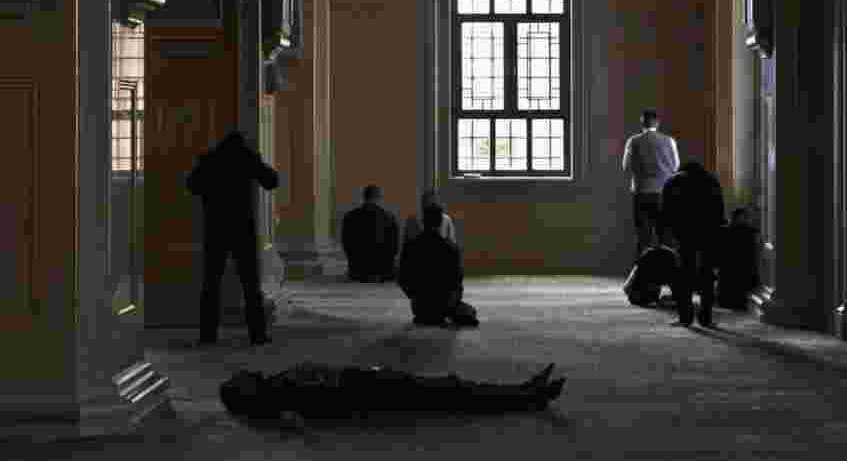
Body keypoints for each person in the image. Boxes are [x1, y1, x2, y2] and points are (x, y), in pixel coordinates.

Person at [220, 361, 566, 421]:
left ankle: (525, 391)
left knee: (453, 389)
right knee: (454, 392)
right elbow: (335, 390)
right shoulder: (283, 392)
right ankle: (527, 397)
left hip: (373, 384)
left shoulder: (280, 386)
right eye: (241, 378)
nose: (245, 372)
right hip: (376, 391)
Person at [187, 129, 279, 347]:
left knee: (211, 283)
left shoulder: (209, 159)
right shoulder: (247, 157)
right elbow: (272, 181)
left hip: (215, 228)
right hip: (242, 229)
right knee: (250, 284)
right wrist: (256, 161)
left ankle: (207, 335)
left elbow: (192, 186)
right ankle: (257, 335)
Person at [661, 161, 725, 327]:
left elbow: (666, 210)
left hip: (684, 233)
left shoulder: (674, 181)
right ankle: (706, 318)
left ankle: (685, 317)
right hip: (708, 232)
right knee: (707, 274)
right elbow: (719, 211)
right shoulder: (711, 181)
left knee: (684, 274)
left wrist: (670, 232)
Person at [399, 204, 478, 328]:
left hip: (419, 306)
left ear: (423, 221)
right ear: (441, 222)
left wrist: (414, 296)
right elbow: (457, 280)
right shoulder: (451, 248)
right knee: (470, 311)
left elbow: (403, 278)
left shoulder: (411, 247)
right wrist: (453, 300)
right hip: (445, 305)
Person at [622, 109, 680, 260]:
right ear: (657, 123)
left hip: (641, 192)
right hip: (663, 192)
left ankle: (643, 273)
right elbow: (675, 167)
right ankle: (667, 271)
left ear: (642, 123)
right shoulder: (669, 141)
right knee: (665, 236)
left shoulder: (633, 141)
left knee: (643, 235)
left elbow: (626, 166)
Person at [340, 185, 401, 282]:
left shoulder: (350, 217)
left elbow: (346, 244)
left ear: (364, 197)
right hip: (383, 272)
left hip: (358, 271)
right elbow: (394, 247)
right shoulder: (389, 218)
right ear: (379, 197)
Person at [715, 207, 761, 310]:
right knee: (739, 284)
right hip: (739, 264)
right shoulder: (748, 231)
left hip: (731, 264)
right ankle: (736, 302)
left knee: (732, 283)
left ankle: (729, 301)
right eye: (744, 216)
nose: (746, 219)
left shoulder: (726, 230)